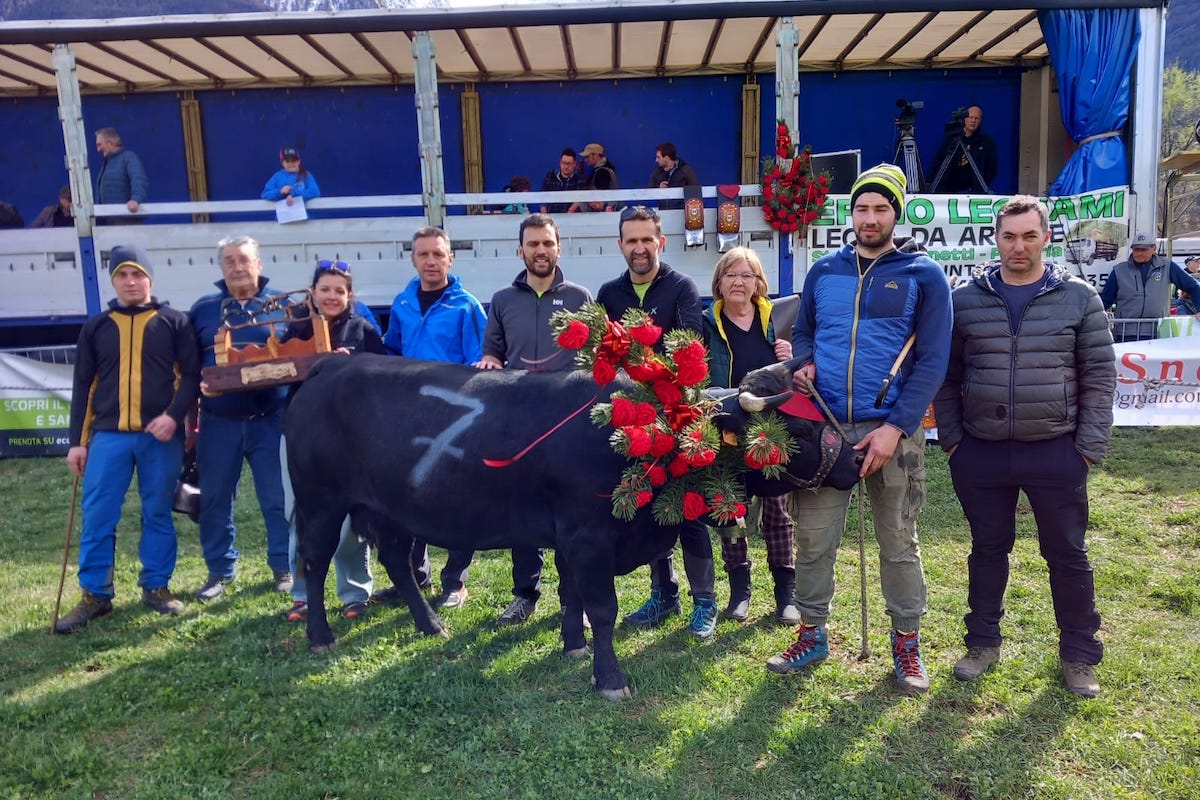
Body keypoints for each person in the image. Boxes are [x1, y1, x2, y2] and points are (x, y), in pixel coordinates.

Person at [766, 163, 952, 695]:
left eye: (880, 208)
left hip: (893, 431)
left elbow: (934, 360)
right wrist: (803, 361)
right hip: (824, 427)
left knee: (898, 541)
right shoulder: (823, 271)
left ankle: (907, 643)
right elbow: (803, 331)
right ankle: (811, 631)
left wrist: (896, 427)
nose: (870, 218)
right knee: (814, 537)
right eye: (861, 208)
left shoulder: (923, 274)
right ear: (850, 213)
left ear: (897, 212)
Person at [933, 195, 1116, 698]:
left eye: (1029, 235)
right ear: (996, 238)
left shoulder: (1078, 297)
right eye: (1010, 236)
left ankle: (1079, 654)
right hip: (981, 451)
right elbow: (945, 376)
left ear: (1046, 237)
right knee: (988, 549)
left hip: (1056, 449)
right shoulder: (965, 299)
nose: (1019, 246)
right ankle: (982, 643)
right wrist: (953, 440)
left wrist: (1087, 447)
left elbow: (1099, 376)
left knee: (1067, 553)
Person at [55, 244, 200, 633]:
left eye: (138, 274)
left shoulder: (175, 322)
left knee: (156, 511)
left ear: (150, 278)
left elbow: (190, 377)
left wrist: (173, 418)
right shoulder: (96, 326)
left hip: (159, 437)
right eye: (122, 274)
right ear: (113, 279)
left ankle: (156, 586)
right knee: (99, 513)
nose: (131, 281)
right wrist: (77, 441)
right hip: (108, 437)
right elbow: (84, 383)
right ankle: (95, 595)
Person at [596, 205, 718, 639]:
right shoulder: (609, 294)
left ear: (661, 242)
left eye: (647, 239)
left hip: (679, 418)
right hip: (634, 424)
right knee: (649, 507)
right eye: (632, 240)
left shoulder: (682, 288)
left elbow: (690, 351)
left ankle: (705, 601)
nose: (640, 248)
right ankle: (663, 594)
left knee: (689, 511)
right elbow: (604, 359)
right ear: (621, 245)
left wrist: (651, 372)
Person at [473, 213, 593, 625]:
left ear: (560, 248)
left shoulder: (581, 298)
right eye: (533, 244)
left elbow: (596, 359)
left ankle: (570, 595)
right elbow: (492, 352)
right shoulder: (503, 300)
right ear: (520, 249)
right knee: (523, 511)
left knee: (568, 511)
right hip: (519, 423)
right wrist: (489, 361)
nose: (540, 251)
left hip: (567, 426)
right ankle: (525, 593)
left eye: (547, 243)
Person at [378, 226, 487, 609]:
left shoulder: (467, 306)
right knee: (411, 497)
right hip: (410, 419)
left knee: (457, 501)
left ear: (450, 259)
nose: (431, 261)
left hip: (454, 420)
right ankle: (414, 574)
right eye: (423, 254)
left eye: (438, 254)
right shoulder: (402, 304)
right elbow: (391, 355)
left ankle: (455, 582)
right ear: (413, 258)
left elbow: (480, 363)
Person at [188, 235, 295, 601]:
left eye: (244, 260)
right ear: (221, 268)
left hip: (271, 418)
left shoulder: (284, 305)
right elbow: (188, 369)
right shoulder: (203, 310)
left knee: (277, 497)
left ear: (259, 264)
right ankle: (220, 570)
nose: (237, 267)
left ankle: (284, 565)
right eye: (229, 261)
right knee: (215, 498)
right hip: (220, 421)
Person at [280, 260, 383, 623]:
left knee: (353, 515)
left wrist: (349, 365)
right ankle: (304, 595)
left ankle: (355, 593)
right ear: (313, 293)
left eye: (339, 290)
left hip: (351, 438)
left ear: (349, 295)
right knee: (303, 515)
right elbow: (275, 374)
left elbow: (382, 379)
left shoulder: (363, 330)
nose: (332, 296)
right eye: (325, 289)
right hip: (302, 436)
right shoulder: (294, 330)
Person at [701, 246, 799, 625]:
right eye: (731, 275)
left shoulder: (776, 320)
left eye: (747, 275)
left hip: (771, 430)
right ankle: (740, 591)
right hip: (727, 429)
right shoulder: (706, 323)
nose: (738, 282)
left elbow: (801, 368)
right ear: (719, 283)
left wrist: (791, 354)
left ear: (759, 283)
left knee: (777, 512)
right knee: (732, 511)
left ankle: (785, 594)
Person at [1098, 231, 1200, 341]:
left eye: (1144, 249)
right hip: (1126, 333)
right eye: (1136, 249)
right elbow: (1105, 299)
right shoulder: (1119, 270)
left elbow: (1193, 286)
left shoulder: (1167, 266)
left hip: (1158, 332)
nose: (1139, 253)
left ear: (1154, 249)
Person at [929, 105, 998, 194]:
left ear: (980, 121)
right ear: (964, 119)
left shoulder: (987, 142)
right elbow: (938, 162)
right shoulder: (950, 139)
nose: (973, 121)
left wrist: (980, 186)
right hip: (948, 190)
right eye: (971, 117)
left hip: (975, 191)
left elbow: (991, 169)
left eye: (976, 118)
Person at [95, 127, 148, 221]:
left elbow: (139, 179)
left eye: (100, 145)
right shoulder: (107, 161)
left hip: (127, 218)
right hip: (110, 219)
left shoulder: (128, 157)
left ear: (110, 143)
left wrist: (135, 200)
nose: (98, 149)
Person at [647, 142, 699, 210]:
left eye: (658, 157)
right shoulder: (657, 172)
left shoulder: (686, 171)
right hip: (663, 213)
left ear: (667, 158)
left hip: (681, 214)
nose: (656, 160)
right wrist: (658, 189)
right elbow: (649, 191)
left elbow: (694, 191)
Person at [570, 143, 620, 213]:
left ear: (595, 156)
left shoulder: (602, 172)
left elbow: (599, 203)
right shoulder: (604, 170)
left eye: (587, 157)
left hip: (605, 217)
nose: (585, 160)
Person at [539, 148, 586, 214]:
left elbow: (581, 198)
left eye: (569, 163)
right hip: (550, 216)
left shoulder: (579, 179)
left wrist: (570, 212)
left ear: (574, 164)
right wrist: (545, 216)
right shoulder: (550, 176)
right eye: (564, 163)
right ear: (560, 162)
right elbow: (542, 196)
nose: (566, 166)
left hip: (571, 218)